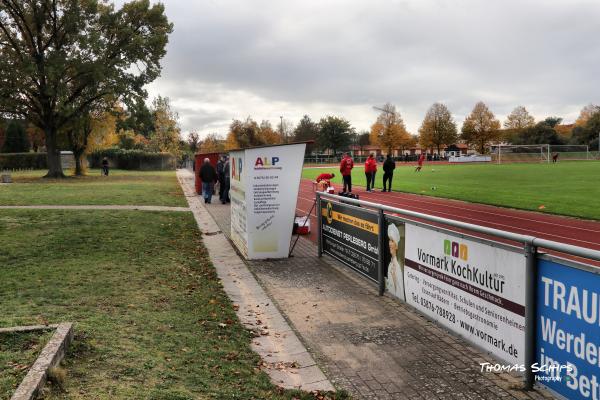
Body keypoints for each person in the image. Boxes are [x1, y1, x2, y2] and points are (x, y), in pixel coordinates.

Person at [386, 223, 405, 300]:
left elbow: (400, 293)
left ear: (396, 246)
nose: (390, 243)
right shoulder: (390, 265)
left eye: (392, 241)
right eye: (389, 240)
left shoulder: (397, 267)